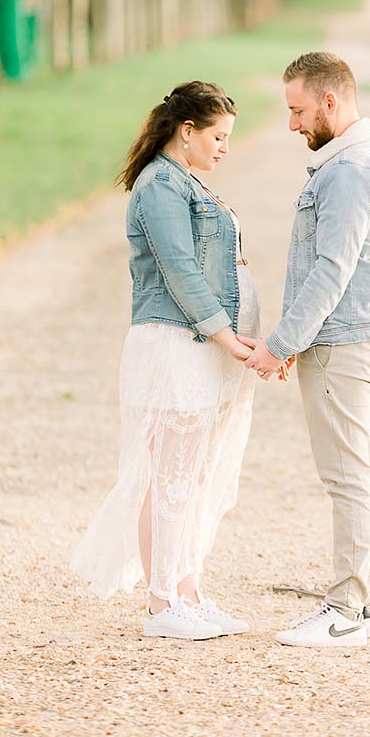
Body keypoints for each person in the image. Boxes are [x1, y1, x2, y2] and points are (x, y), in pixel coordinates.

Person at [70, 80, 292, 640]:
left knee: (196, 474)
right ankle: (162, 602)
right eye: (217, 136)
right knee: (169, 475)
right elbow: (180, 273)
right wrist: (233, 342)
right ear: (186, 132)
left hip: (205, 349)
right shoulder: (160, 187)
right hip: (176, 345)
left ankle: (189, 591)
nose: (224, 147)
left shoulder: (186, 182)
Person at [244, 52, 370, 647]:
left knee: (348, 476)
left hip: (346, 338)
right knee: (355, 470)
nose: (291, 125)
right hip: (348, 334)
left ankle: (346, 612)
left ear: (330, 102)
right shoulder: (347, 163)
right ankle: (354, 606)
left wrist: (280, 345)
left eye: (297, 110)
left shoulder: (351, 170)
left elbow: (332, 270)